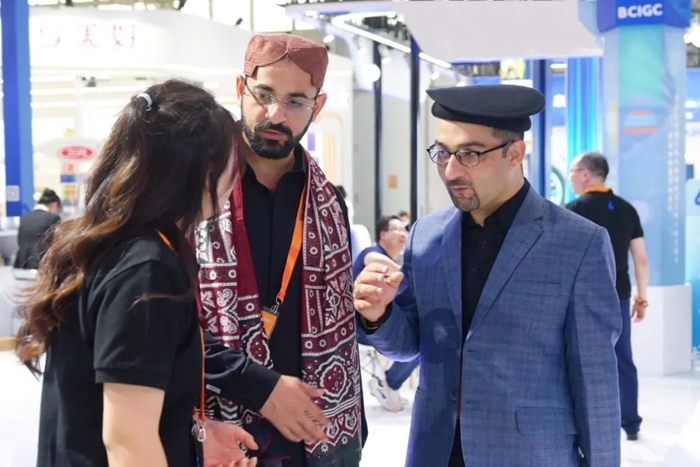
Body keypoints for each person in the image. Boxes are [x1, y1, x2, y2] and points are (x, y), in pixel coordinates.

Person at [354, 84, 622, 467]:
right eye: (442, 153)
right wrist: (379, 315)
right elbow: (412, 342)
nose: (451, 170)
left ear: (515, 153)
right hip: (436, 449)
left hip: (529, 455)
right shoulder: (427, 236)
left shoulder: (578, 243)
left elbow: (595, 379)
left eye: (469, 154)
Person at [15, 80, 258, 467]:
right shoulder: (147, 271)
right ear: (202, 171)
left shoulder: (115, 247)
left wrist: (191, 434)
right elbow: (128, 441)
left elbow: (112, 406)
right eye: (233, 160)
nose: (237, 174)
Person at [194, 33, 365, 467]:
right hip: (219, 433)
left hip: (315, 437)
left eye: (295, 101)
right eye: (264, 95)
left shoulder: (328, 201)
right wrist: (259, 388)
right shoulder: (195, 191)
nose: (275, 114)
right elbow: (164, 323)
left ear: (317, 107)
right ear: (240, 89)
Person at [567, 151, 649, 441]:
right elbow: (640, 259)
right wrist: (641, 299)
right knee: (622, 358)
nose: (571, 178)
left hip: (582, 297)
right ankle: (631, 423)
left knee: (580, 359)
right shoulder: (627, 209)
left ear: (585, 174)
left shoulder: (571, 210)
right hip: (619, 295)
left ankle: (585, 422)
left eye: (572, 172)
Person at [353, 215, 416, 412]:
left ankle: (389, 383)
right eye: (397, 229)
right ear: (383, 234)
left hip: (380, 323)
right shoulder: (372, 253)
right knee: (427, 340)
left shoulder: (395, 261)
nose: (403, 234)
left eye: (405, 230)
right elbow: (375, 261)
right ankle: (389, 383)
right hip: (362, 326)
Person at [13, 188, 61, 270]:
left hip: (21, 263)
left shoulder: (24, 218)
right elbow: (56, 243)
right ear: (54, 204)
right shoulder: (53, 218)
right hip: (41, 263)